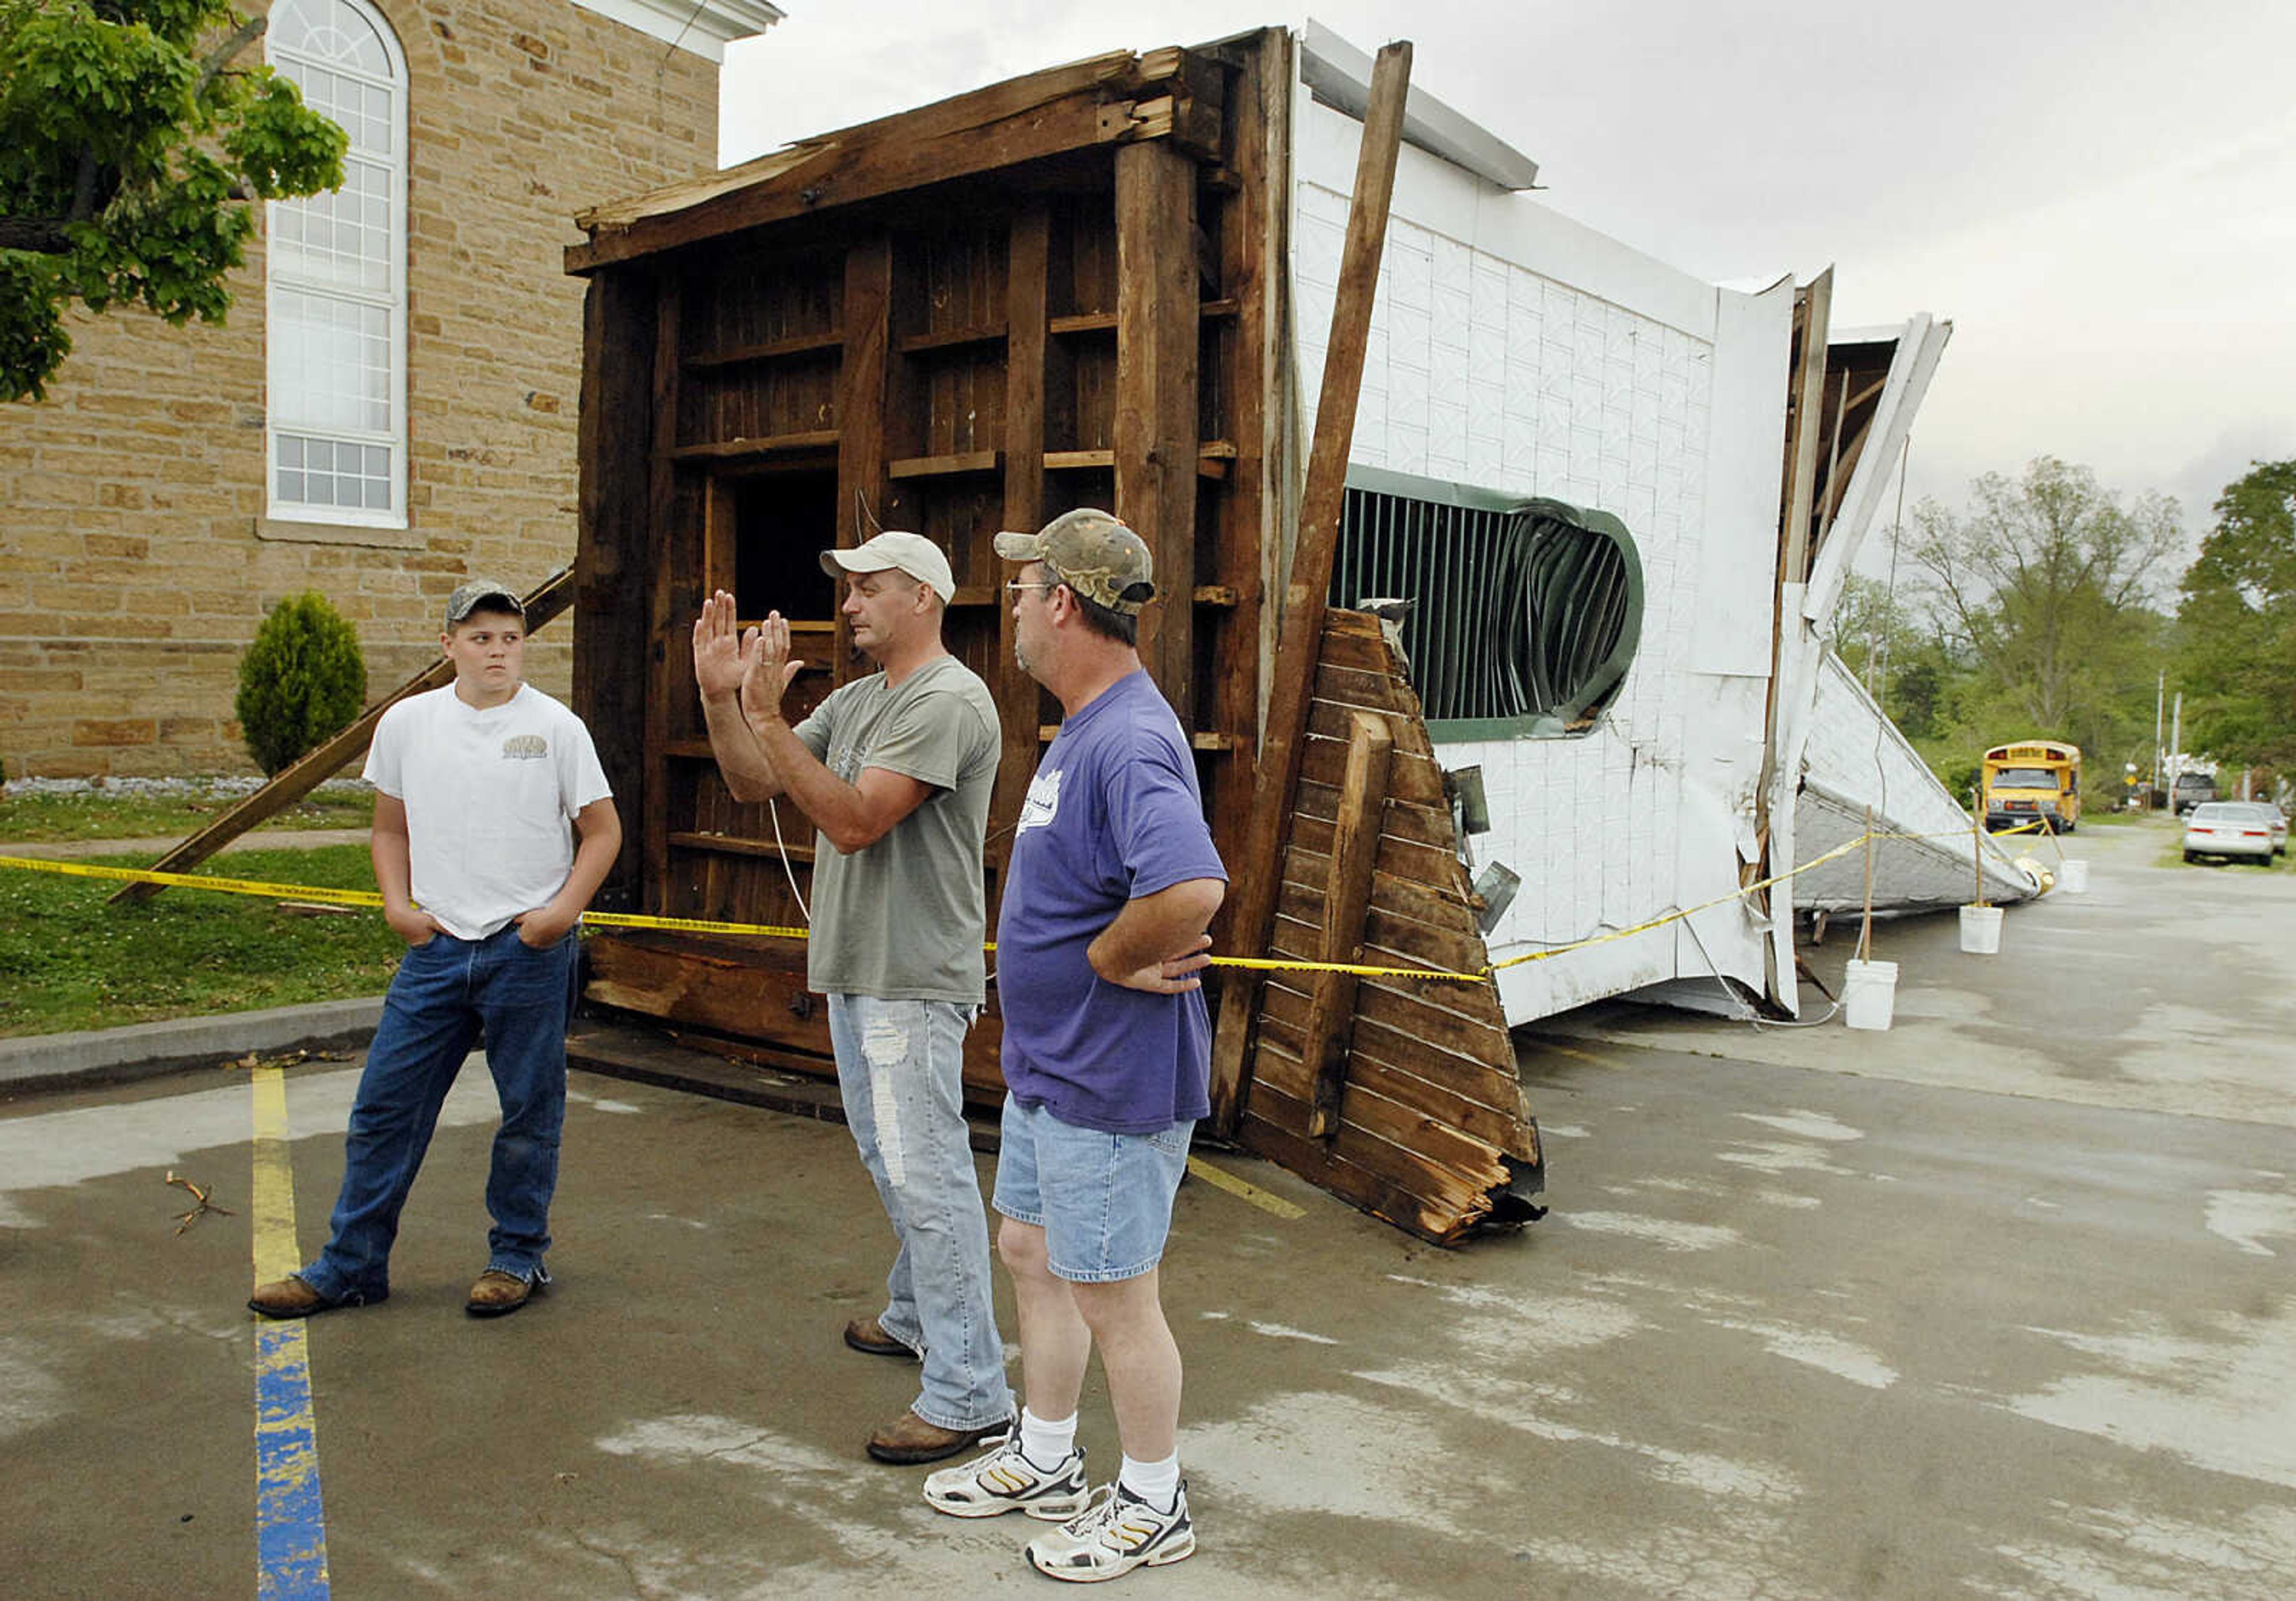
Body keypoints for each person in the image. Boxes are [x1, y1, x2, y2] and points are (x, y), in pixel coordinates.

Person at [925, 509, 1226, 1582]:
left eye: (1022, 588)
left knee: (1113, 1293)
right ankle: (1047, 1452)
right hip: (1057, 1068)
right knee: (1033, 1255)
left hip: (1112, 1074)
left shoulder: (1131, 736)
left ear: (1062, 601)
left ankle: (1155, 1498)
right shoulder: (1085, 727)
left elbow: (1191, 884)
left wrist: (1108, 958)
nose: (1010, 606)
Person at [690, 531, 1013, 1465]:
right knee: (894, 1156)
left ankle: (968, 1390)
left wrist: (772, 717)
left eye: (870, 588)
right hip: (861, 967)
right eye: (849, 587)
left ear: (924, 597)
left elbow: (856, 818)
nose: (850, 603)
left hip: (908, 975)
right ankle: (918, 1314)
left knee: (927, 1172)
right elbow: (756, 783)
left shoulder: (948, 698)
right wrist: (725, 700)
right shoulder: (862, 697)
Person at [249, 579, 621, 1321]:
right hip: (440, 947)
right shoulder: (409, 723)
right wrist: (399, 906)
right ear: (447, 644)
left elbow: (602, 831)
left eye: (510, 638)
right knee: (385, 1107)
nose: (497, 652)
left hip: (527, 948)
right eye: (480, 637)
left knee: (528, 1110)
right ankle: (351, 1265)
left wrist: (557, 916)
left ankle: (516, 1255)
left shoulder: (555, 727)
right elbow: (390, 826)